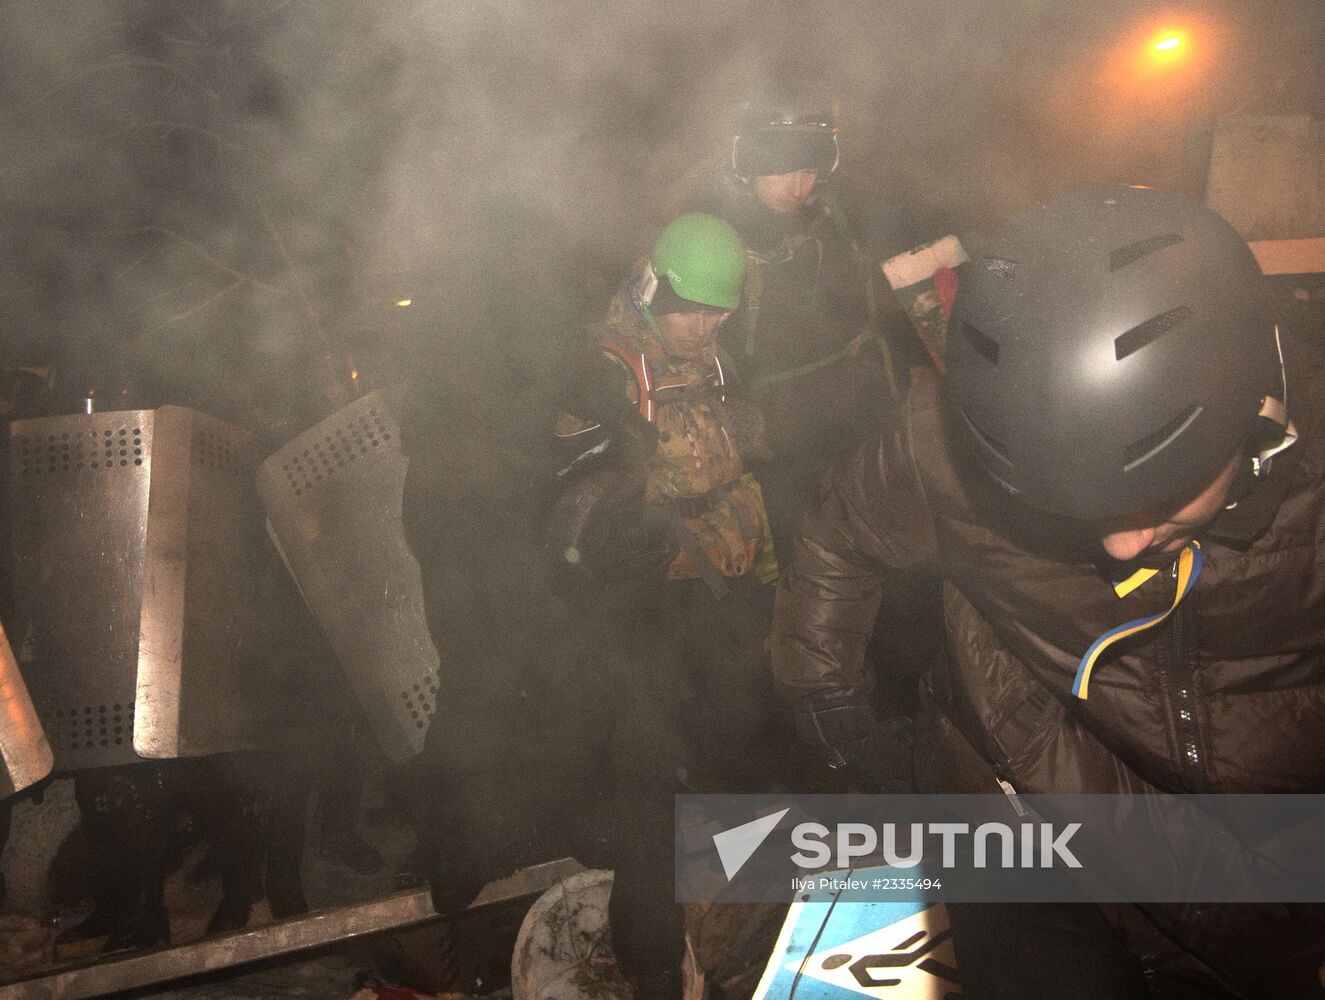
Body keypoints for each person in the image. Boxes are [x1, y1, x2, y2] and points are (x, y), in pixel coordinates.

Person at [771, 185, 1325, 999]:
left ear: (1246, 413)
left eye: (1158, 494)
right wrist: (826, 692)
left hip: (1246, 895)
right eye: (1077, 505)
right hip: (1012, 811)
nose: (1118, 542)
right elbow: (840, 526)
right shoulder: (947, 437)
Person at [549, 212, 780, 998]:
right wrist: (602, 533)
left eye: (720, 310)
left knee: (745, 755)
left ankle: (743, 941)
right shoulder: (610, 369)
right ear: (654, 290)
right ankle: (648, 964)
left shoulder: (719, 360)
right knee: (650, 778)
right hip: (644, 604)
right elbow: (562, 501)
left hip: (728, 592)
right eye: (692, 308)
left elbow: (744, 467)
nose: (704, 324)